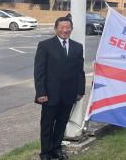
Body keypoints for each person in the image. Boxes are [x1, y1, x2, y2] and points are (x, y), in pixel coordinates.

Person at [34, 17, 85, 160]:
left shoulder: (77, 46)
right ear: (56, 29)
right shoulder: (45, 45)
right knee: (47, 125)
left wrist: (80, 91)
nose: (65, 30)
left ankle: (56, 149)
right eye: (62, 27)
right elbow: (39, 71)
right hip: (49, 94)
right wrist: (41, 92)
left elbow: (79, 71)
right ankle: (45, 153)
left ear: (71, 29)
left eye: (68, 27)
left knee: (61, 124)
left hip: (69, 94)